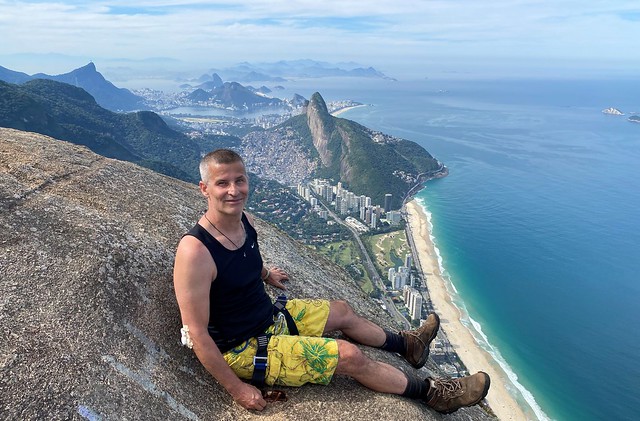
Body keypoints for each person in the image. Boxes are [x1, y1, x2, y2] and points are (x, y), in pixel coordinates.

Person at [173, 149, 490, 413]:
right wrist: (238, 389)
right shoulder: (195, 252)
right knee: (350, 356)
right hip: (242, 347)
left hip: (268, 317)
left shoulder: (244, 220)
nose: (233, 190)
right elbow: (197, 334)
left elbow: (244, 260)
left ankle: (409, 345)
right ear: (204, 188)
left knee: (342, 310)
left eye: (239, 180)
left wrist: (266, 274)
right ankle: (435, 394)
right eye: (222, 183)